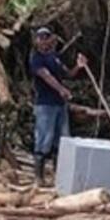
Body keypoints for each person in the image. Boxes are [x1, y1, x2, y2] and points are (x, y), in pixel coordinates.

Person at [28, 27, 87, 185]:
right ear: (36, 40)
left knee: (62, 139)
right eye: (40, 37)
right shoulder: (36, 58)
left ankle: (58, 176)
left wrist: (78, 66)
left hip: (60, 105)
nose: (43, 40)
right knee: (43, 139)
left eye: (46, 37)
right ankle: (38, 178)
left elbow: (67, 74)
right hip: (45, 105)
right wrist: (61, 90)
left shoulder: (55, 57)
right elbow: (46, 76)